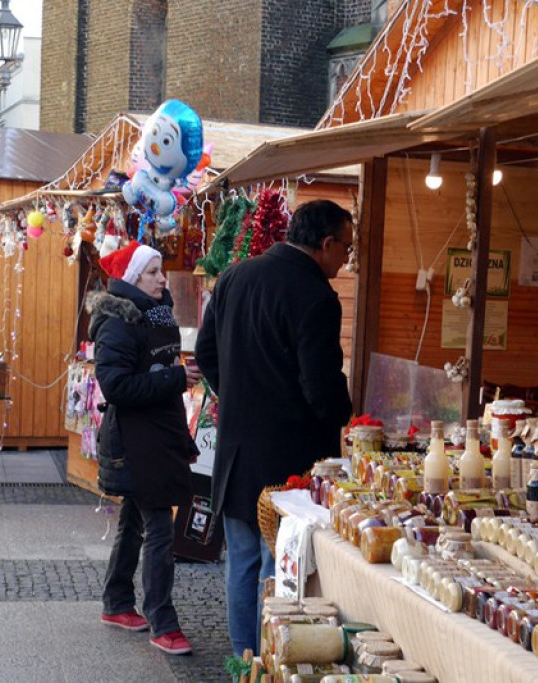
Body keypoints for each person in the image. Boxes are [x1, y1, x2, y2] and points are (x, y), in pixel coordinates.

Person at [195, 199, 355, 656]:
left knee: (242, 563)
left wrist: (241, 397)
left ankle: (245, 661)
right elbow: (322, 390)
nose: (346, 261)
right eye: (346, 248)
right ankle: (271, 663)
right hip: (289, 462)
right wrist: (343, 411)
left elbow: (206, 355)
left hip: (236, 453)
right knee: (278, 566)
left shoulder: (234, 276)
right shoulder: (317, 297)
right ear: (325, 244)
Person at [88, 240, 202, 656]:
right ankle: (163, 622)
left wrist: (177, 376)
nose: (161, 278)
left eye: (160, 270)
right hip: (134, 441)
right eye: (153, 272)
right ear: (134, 277)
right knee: (157, 526)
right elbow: (115, 386)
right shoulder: (118, 322)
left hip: (157, 434)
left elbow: (152, 372)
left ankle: (117, 603)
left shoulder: (156, 314)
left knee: (135, 521)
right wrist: (174, 379)